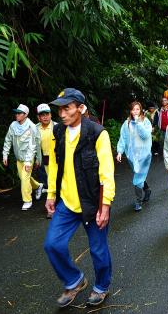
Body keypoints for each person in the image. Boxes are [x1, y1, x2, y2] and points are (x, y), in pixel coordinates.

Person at [44, 88, 115, 308]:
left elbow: (106, 172)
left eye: (67, 108)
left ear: (80, 108)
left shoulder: (97, 133)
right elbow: (55, 165)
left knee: (98, 249)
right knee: (52, 244)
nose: (62, 114)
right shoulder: (58, 132)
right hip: (67, 202)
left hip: (92, 203)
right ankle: (74, 281)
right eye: (60, 109)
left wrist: (105, 206)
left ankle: (101, 286)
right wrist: (51, 194)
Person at [2, 104, 43, 211]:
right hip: (19, 158)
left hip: (28, 158)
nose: (17, 115)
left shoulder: (32, 127)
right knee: (24, 178)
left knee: (24, 179)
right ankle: (38, 186)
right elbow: (8, 139)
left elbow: (33, 145)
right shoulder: (13, 125)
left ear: (25, 115)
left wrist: (31, 161)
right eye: (16, 113)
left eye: (19, 113)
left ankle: (27, 200)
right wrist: (5, 154)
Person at [116, 102, 152, 211]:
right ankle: (147, 189)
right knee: (139, 175)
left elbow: (145, 135)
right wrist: (119, 152)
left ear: (140, 110)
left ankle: (138, 201)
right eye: (133, 109)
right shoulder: (126, 123)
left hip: (144, 156)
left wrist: (138, 123)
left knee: (137, 178)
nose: (135, 111)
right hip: (132, 156)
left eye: (137, 109)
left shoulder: (145, 122)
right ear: (130, 111)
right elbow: (123, 138)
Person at [35, 103, 58, 218]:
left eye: (47, 114)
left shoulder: (57, 126)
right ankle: (52, 208)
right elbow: (32, 146)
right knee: (49, 183)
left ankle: (56, 207)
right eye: (42, 115)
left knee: (56, 182)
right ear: (38, 117)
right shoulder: (34, 129)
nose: (45, 117)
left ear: (51, 114)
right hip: (43, 160)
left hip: (57, 159)